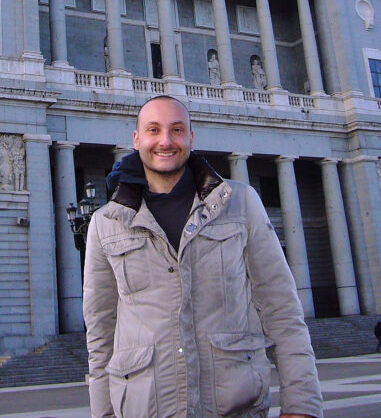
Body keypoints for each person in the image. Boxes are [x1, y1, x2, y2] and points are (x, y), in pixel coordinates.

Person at [83, 95, 323, 418]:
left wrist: (303, 406)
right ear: (137, 139)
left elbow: (283, 311)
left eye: (177, 130)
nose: (165, 141)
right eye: (154, 130)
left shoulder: (241, 204)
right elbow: (100, 337)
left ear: (191, 138)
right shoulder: (105, 224)